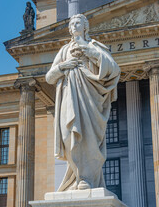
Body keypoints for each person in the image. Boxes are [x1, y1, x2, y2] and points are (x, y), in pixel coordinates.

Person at [46, 14, 120, 191]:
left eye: (77, 22)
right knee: (68, 136)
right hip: (69, 97)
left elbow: (114, 69)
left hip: (90, 99)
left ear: (85, 26)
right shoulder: (64, 50)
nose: (73, 26)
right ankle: (75, 177)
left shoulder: (94, 46)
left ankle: (86, 178)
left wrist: (90, 52)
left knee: (87, 139)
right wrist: (64, 66)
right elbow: (49, 77)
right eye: (71, 24)